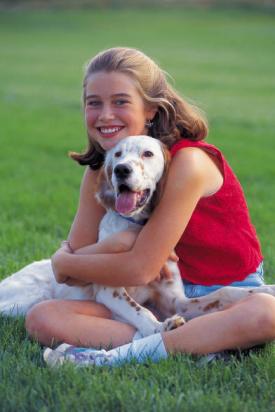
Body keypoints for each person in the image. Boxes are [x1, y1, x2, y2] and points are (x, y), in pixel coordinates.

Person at [25, 47, 275, 367]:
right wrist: (74, 259)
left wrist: (67, 262)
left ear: (151, 110)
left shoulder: (189, 162)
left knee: (266, 312)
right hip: (156, 298)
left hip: (219, 294)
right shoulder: (100, 172)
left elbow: (139, 267)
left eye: (120, 101)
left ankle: (109, 359)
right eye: (93, 103)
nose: (105, 115)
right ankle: (190, 344)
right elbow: (79, 270)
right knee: (43, 317)